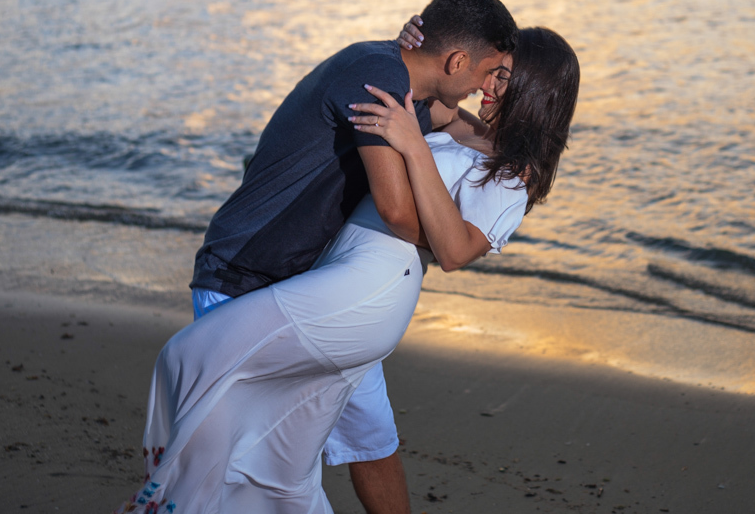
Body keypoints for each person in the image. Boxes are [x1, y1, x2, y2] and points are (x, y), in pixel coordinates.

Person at [117, 27, 580, 514]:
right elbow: (430, 85)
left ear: (533, 90)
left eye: (503, 77)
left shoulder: (514, 175)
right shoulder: (470, 132)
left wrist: (414, 146)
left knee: (189, 359)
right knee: (286, 468)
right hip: (341, 281)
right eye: (492, 72)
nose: (488, 86)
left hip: (365, 292)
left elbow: (456, 251)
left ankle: (168, 502)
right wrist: (411, 44)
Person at [188, 0, 517, 513]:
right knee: (244, 472)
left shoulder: (395, 75)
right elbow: (395, 209)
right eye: (488, 73)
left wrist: (511, 153)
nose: (487, 88)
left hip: (310, 289)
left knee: (370, 433)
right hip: (244, 286)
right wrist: (453, 242)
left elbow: (452, 122)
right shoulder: (379, 80)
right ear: (457, 60)